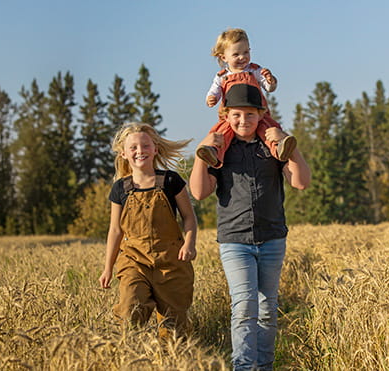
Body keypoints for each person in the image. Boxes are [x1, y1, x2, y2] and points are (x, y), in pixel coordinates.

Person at [189, 83, 311, 370]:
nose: (243, 120)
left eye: (250, 114)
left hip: (271, 238)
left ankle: (264, 366)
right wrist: (201, 153)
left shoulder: (270, 147)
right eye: (236, 115)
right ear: (226, 116)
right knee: (244, 307)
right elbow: (199, 192)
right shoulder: (221, 150)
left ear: (261, 114)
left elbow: (301, 182)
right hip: (235, 240)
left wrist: (288, 146)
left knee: (268, 309)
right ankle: (244, 367)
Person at [99, 122, 197, 339]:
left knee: (175, 329)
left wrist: (189, 243)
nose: (139, 151)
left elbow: (189, 217)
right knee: (130, 309)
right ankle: (128, 356)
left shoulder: (171, 181)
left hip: (171, 262)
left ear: (155, 149)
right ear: (123, 153)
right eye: (133, 147)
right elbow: (115, 230)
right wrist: (108, 268)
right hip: (135, 260)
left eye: (145, 145)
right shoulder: (119, 189)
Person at [196, 28, 297, 168]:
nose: (242, 57)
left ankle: (279, 147)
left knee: (267, 128)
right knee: (222, 132)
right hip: (231, 115)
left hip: (258, 112)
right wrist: (211, 98)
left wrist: (271, 81)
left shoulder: (255, 70)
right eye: (236, 54)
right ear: (223, 57)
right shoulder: (221, 76)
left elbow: (269, 88)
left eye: (246, 52)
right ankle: (213, 152)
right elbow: (215, 91)